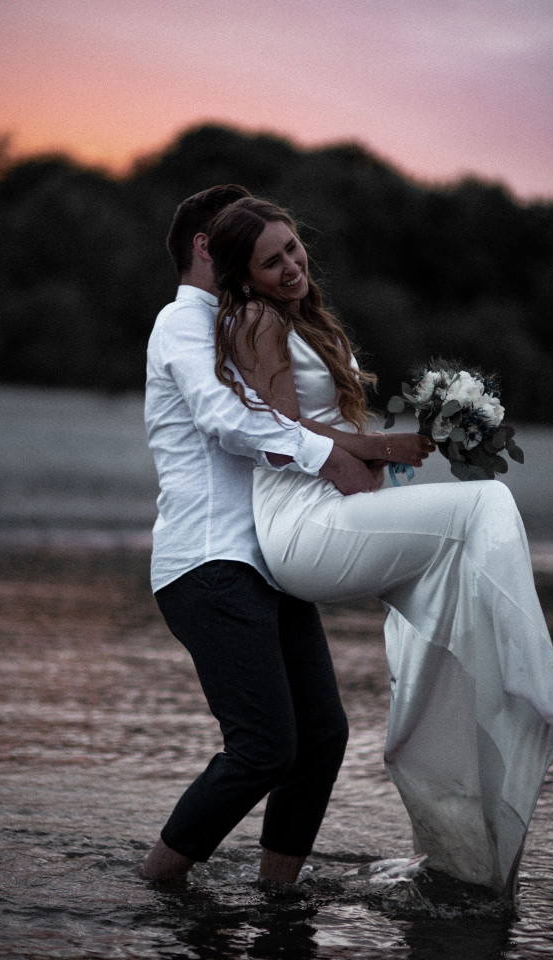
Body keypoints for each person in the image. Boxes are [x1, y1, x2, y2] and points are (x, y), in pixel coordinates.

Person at [207, 196, 553, 896]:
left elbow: (328, 428)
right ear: (244, 276)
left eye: (292, 248)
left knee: (461, 569)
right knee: (487, 503)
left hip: (333, 506)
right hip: (299, 525)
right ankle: (538, 696)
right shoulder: (256, 320)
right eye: (270, 260)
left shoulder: (305, 317)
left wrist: (409, 444)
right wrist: (385, 443)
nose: (289, 265)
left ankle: (467, 790)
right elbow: (286, 433)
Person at [140, 185, 414, 885]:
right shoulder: (183, 323)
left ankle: (276, 897)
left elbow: (282, 418)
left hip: (269, 558)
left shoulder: (247, 320)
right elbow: (222, 420)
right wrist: (334, 456)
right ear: (207, 247)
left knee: (321, 739)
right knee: (263, 746)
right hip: (210, 561)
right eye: (237, 238)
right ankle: (154, 884)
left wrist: (372, 450)